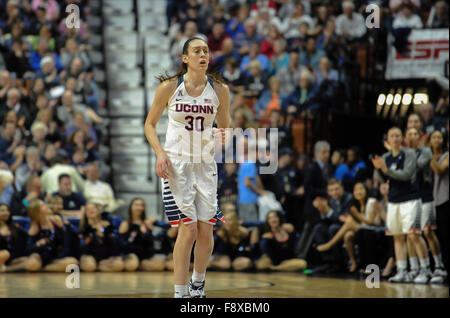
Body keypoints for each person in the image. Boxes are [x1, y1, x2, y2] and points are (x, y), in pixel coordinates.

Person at [144, 37, 229, 298]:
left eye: (205, 51)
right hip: (176, 165)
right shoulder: (169, 87)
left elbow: (224, 129)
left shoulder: (220, 90)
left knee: (206, 227)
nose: (202, 54)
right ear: (185, 58)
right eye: (196, 51)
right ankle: (180, 293)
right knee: (188, 228)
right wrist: (160, 153)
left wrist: (218, 141)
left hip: (204, 165)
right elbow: (149, 125)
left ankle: (197, 285)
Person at [371, 127, 422, 283]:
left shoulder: (409, 153)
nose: (395, 138)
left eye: (397, 135)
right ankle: (401, 271)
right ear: (388, 140)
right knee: (397, 237)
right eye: (392, 136)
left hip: (410, 199)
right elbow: (384, 179)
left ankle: (424, 269)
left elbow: (406, 175)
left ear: (402, 138)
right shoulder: (386, 156)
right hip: (393, 200)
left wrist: (385, 168)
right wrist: (378, 169)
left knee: (413, 235)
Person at [405, 127, 440, 284]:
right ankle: (415, 269)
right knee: (411, 235)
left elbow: (415, 167)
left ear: (420, 137)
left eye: (415, 134)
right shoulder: (404, 154)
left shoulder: (425, 152)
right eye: (410, 134)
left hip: (426, 196)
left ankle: (439, 267)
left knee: (428, 232)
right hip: (411, 199)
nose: (412, 136)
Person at [317, 182, 377, 272]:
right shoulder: (355, 202)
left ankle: (330, 245)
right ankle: (353, 262)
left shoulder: (371, 202)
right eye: (356, 190)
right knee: (347, 235)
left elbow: (370, 222)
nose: (358, 192)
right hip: (358, 228)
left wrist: (356, 214)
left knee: (347, 223)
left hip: (371, 228)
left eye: (361, 189)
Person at [24, 199, 78, 272]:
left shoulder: (55, 219)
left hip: (54, 256)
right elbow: (28, 249)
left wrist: (62, 228)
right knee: (32, 263)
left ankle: (42, 269)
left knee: (73, 263)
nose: (46, 206)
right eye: (43, 205)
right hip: (40, 256)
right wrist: (38, 244)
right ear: (38, 211)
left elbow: (64, 241)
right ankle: (37, 266)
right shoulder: (35, 226)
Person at [118, 198, 165, 272]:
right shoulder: (126, 223)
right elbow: (121, 243)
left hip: (145, 254)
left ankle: (140, 265)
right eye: (136, 205)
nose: (139, 207)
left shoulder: (148, 221)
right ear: (131, 207)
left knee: (160, 265)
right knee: (131, 265)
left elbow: (166, 226)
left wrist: (150, 229)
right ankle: (134, 264)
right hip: (132, 254)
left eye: (141, 205)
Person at [78, 202, 124, 272]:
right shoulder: (84, 228)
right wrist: (91, 233)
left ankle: (99, 267)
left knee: (119, 264)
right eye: (88, 209)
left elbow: (114, 245)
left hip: (105, 258)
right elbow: (82, 249)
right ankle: (97, 266)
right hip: (90, 256)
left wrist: (104, 233)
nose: (91, 210)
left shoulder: (106, 225)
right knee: (89, 266)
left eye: (93, 208)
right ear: (85, 214)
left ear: (97, 211)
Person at [429, 130, 449, 283]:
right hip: (430, 200)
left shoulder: (446, 156)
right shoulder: (427, 156)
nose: (436, 140)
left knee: (445, 235)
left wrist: (427, 154)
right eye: (433, 137)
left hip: (444, 200)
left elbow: (439, 170)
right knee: (433, 235)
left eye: (439, 137)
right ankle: (437, 267)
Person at [0, 203, 28, 272]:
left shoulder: (14, 227)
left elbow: (28, 235)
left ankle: (4, 269)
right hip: (2, 255)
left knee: (26, 259)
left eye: (7, 210)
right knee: (5, 253)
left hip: (10, 260)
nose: (6, 213)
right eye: (2, 211)